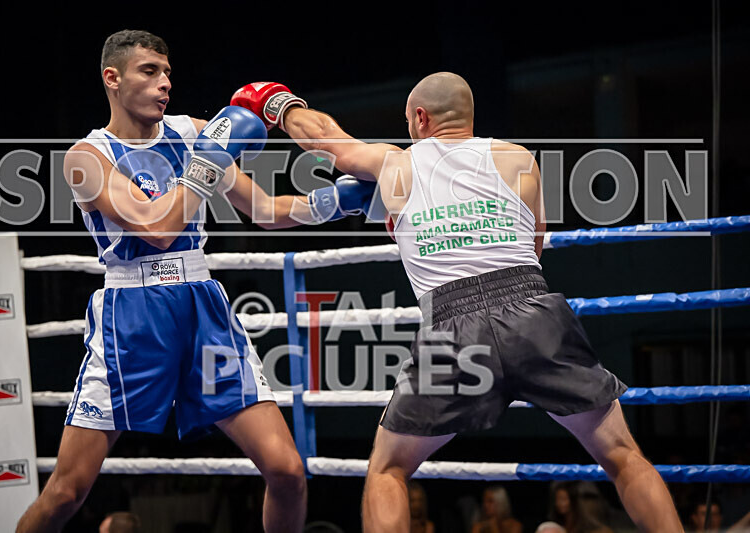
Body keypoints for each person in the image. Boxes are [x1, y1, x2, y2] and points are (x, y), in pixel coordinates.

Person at [230, 73, 685, 532]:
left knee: (388, 471)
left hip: (452, 324)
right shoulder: (518, 158)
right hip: (533, 307)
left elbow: (326, 140)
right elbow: (534, 246)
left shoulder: (395, 163)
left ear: (421, 118)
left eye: (408, 121)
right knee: (623, 455)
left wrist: (279, 105)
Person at [16, 30, 381, 533]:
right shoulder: (87, 158)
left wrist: (337, 201)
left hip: (203, 307)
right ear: (112, 78)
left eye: (168, 73)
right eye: (149, 71)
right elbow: (157, 228)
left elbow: (265, 211)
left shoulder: (192, 133)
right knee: (66, 491)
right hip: (133, 317)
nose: (164, 83)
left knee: (287, 469)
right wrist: (205, 163)